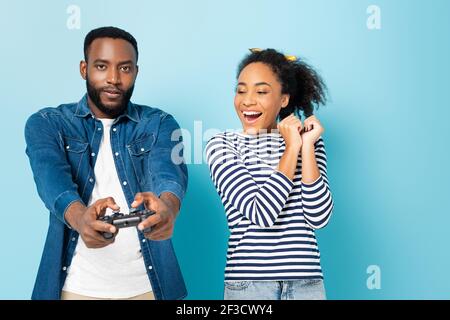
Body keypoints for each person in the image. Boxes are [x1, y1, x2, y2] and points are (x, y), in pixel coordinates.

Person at [24, 26, 188, 300]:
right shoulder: (48, 123)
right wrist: (80, 219)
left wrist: (169, 208)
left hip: (149, 289)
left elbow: (169, 175)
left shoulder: (160, 123)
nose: (113, 78)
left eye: (125, 68)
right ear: (84, 68)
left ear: (136, 72)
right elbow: (50, 180)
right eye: (102, 66)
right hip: (74, 289)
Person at [205, 48, 334, 300]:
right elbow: (262, 214)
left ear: (283, 99)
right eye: (241, 90)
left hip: (307, 283)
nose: (248, 100)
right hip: (250, 285)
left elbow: (319, 217)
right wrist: (292, 149)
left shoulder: (311, 143)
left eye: (261, 91)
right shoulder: (222, 145)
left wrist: (306, 145)